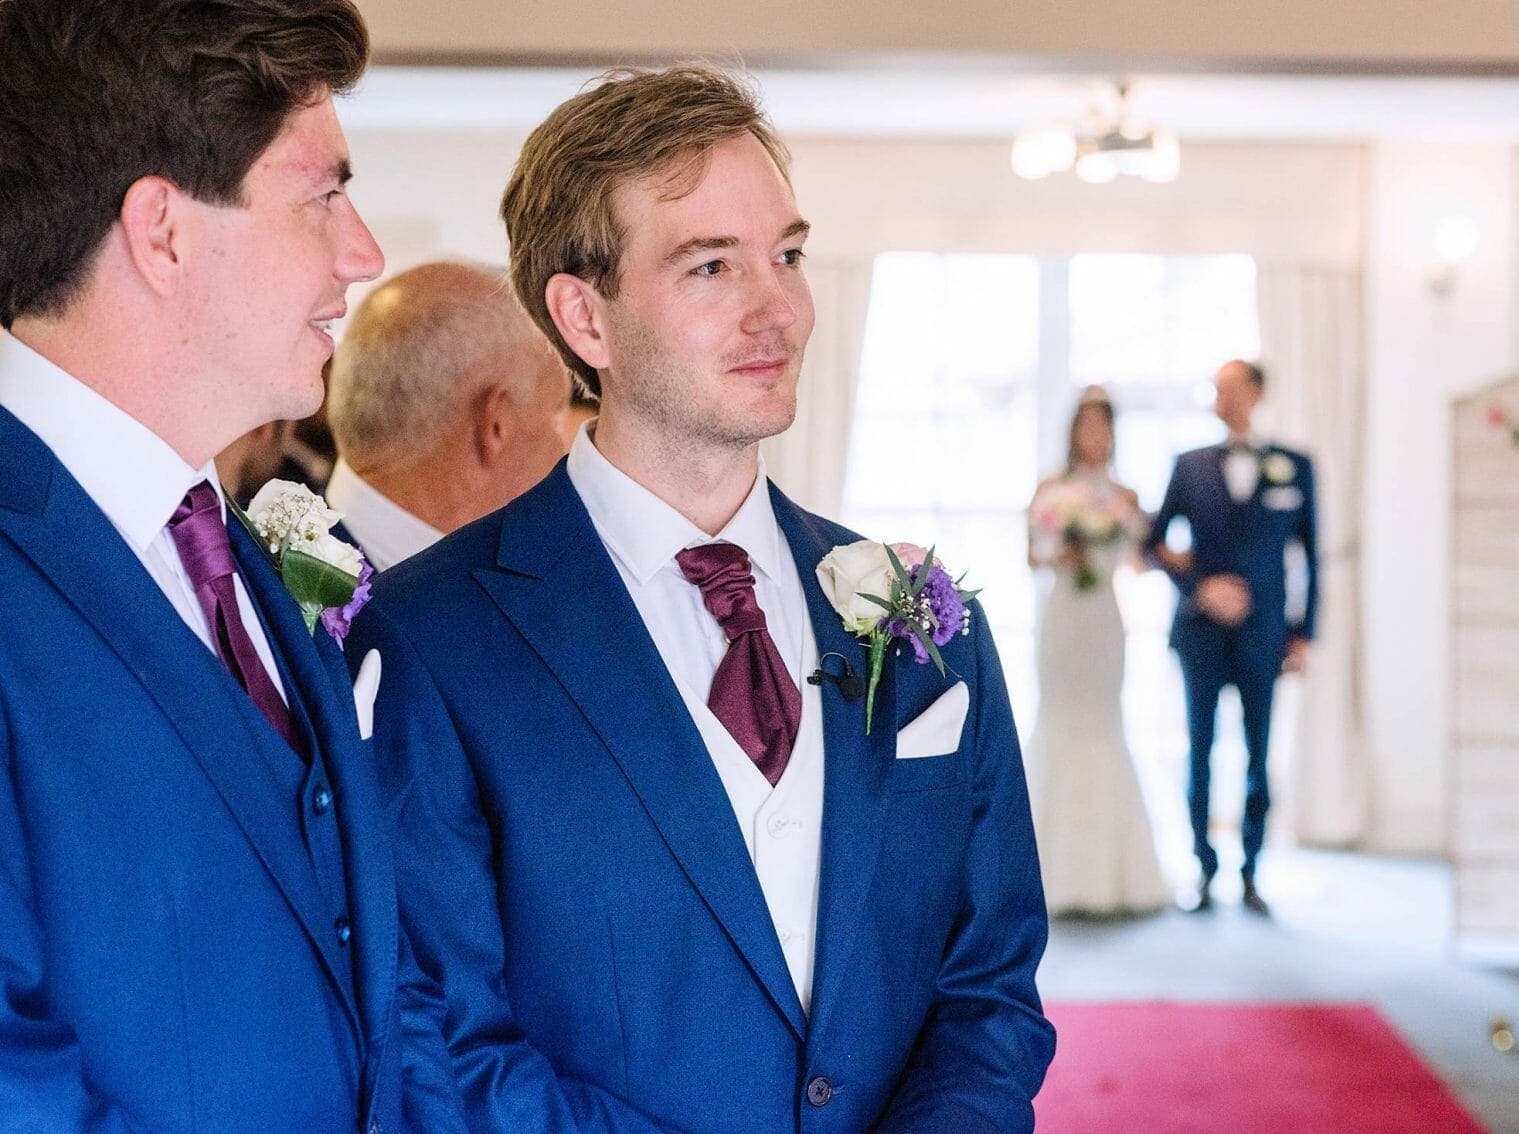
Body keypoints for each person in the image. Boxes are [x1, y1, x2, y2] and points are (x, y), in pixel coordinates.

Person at [346, 65, 1055, 1132]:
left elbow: (990, 976)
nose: (778, 309)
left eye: (787, 254)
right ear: (584, 317)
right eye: (711, 266)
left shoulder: (922, 618)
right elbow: (441, 1034)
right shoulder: (426, 637)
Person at [0, 1, 466, 1130]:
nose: (363, 253)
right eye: (322, 194)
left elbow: (375, 985)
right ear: (162, 233)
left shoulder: (249, 557)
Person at [1142, 360, 1320, 916]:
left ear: (1257, 394)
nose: (1222, 400)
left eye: (1231, 390)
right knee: (1198, 751)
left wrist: (1302, 633)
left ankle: (1251, 872)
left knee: (1260, 753)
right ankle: (1202, 868)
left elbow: (1310, 557)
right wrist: (1201, 586)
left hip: (1266, 635)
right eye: (1216, 391)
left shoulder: (1295, 466)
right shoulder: (1189, 465)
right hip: (1199, 634)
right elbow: (1152, 543)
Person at [325, 260, 571, 570]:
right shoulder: (265, 597)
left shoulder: (265, 576)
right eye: (557, 416)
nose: (566, 450)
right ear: (498, 423)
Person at [1027, 386, 1170, 916]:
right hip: (1064, 616)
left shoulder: (1126, 498)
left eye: (1103, 425)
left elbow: (1141, 558)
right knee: (1059, 721)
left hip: (1104, 619)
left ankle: (1114, 873)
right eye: (1086, 424)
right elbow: (1032, 558)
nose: (1095, 435)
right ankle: (1047, 872)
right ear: (1073, 431)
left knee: (1104, 724)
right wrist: (1065, 550)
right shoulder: (1051, 489)